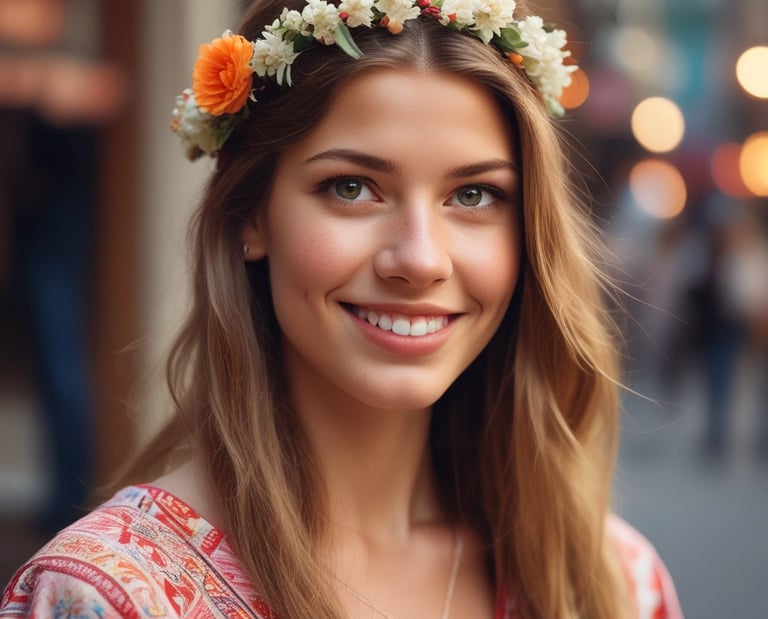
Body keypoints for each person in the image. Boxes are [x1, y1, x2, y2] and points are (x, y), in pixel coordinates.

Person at [0, 0, 684, 617]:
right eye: (352, 187)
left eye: (473, 195)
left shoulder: (612, 582)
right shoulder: (108, 597)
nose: (420, 258)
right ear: (251, 215)